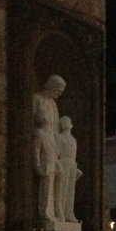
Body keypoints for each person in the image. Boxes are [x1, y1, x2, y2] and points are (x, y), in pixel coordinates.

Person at [33, 74, 66, 222]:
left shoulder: (52, 103)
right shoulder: (36, 99)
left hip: (51, 141)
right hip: (41, 138)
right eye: (57, 90)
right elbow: (30, 121)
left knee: (57, 178)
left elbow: (56, 128)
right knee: (46, 181)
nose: (58, 94)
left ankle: (57, 211)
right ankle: (45, 212)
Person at [55, 116, 83, 223]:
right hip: (63, 162)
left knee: (70, 191)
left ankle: (69, 212)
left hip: (72, 164)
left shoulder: (73, 139)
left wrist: (75, 168)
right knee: (61, 189)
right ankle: (59, 212)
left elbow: (74, 155)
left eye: (67, 121)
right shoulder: (58, 138)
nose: (65, 123)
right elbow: (55, 154)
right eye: (63, 122)